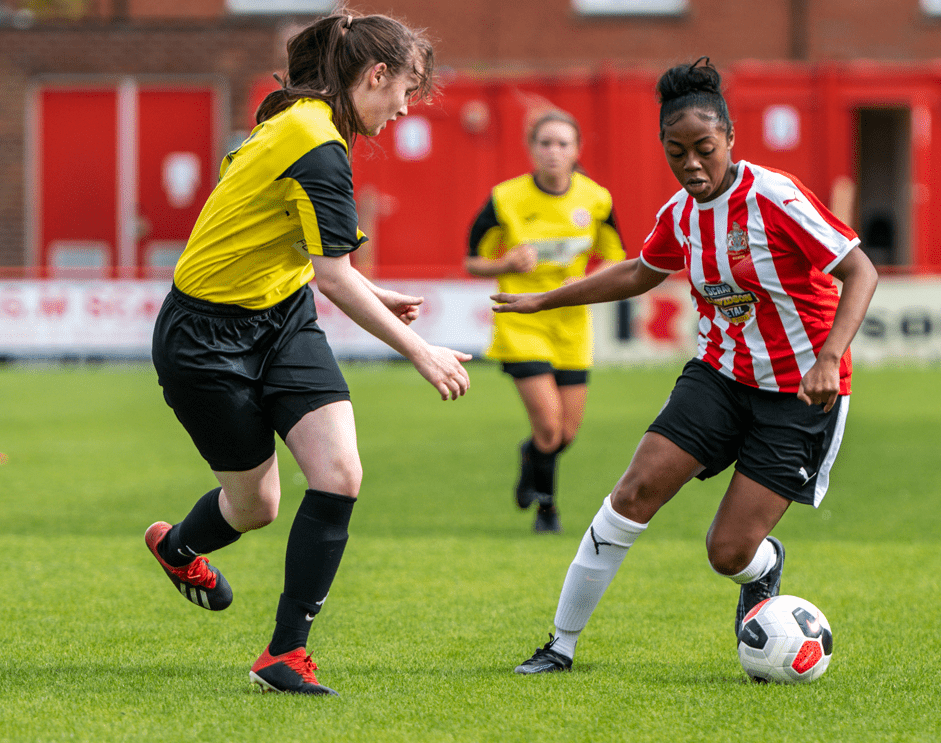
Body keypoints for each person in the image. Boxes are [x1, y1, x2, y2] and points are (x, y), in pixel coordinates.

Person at [498, 58, 878, 674]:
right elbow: (637, 271)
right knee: (632, 493)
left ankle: (764, 566)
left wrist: (829, 357)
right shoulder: (680, 213)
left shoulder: (775, 197)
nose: (693, 165)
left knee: (727, 553)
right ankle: (560, 645)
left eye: (705, 149)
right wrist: (545, 297)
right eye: (678, 153)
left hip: (800, 393)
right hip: (719, 377)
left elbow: (860, 269)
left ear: (730, 139)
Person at [145, 11, 471, 696]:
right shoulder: (314, 141)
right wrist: (421, 351)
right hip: (204, 339)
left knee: (340, 472)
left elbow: (304, 250)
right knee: (257, 504)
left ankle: (284, 653)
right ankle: (178, 546)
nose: (406, 108)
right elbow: (333, 275)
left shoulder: (311, 127)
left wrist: (373, 291)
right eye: (405, 90)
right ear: (374, 76)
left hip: (283, 317)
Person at [465, 110, 625, 534]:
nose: (553, 152)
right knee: (550, 426)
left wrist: (587, 280)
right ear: (531, 150)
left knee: (565, 433)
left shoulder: (596, 199)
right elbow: (471, 261)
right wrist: (505, 262)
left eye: (562, 144)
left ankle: (529, 456)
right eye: (545, 143)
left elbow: (616, 256)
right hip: (521, 322)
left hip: (571, 324)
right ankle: (547, 511)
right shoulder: (505, 198)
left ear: (577, 151)